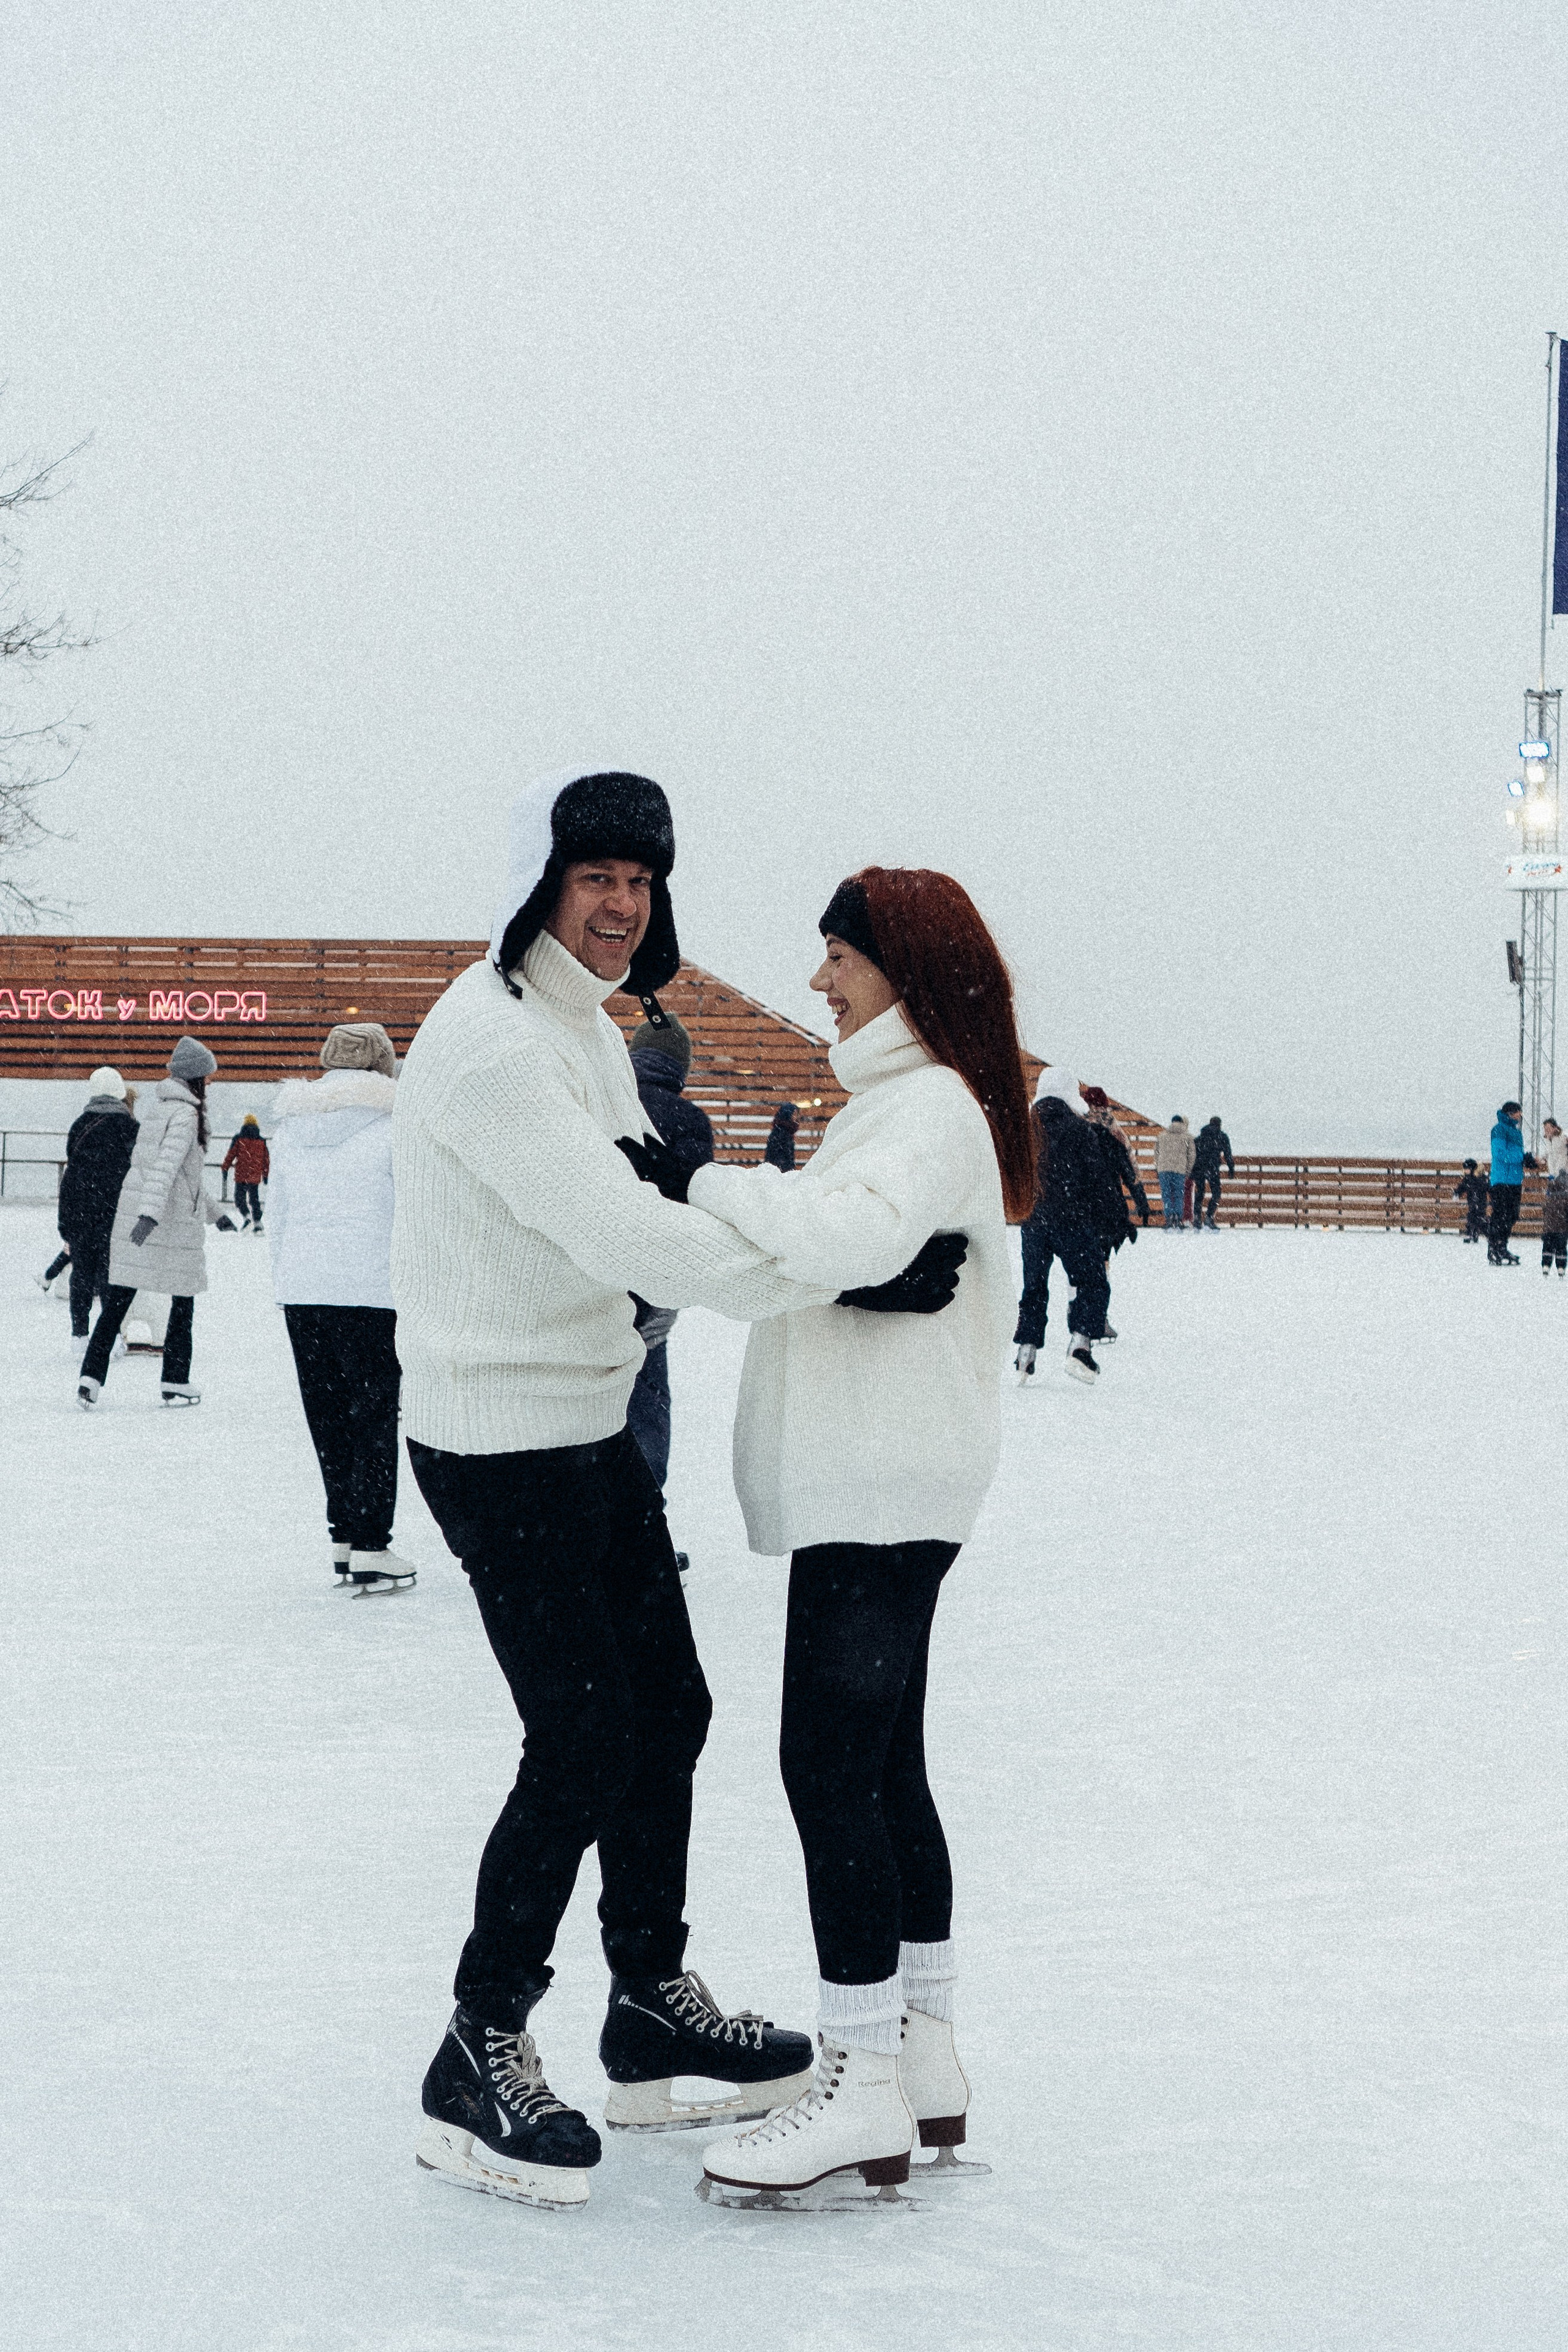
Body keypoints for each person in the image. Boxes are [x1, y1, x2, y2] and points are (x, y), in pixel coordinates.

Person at [392, 770, 961, 2212]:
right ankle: (479, 2035)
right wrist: (850, 1261)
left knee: (673, 1709)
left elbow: (654, 1183)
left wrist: (793, 1236)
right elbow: (628, 1229)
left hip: (584, 1424)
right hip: (493, 1431)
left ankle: (644, 1998)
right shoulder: (493, 1045)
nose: (617, 904)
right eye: (594, 875)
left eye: (639, 883)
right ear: (545, 882)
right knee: (583, 1735)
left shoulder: (586, 1028)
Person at [620, 865, 1028, 2203]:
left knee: (830, 1764)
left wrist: (704, 1173)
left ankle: (858, 2080)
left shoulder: (918, 1110)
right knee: (884, 1763)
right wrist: (797, 1227)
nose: (817, 981)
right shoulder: (917, 1106)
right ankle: (919, 2050)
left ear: (900, 967)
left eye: (836, 956)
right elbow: (850, 1256)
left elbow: (842, 1238)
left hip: (875, 1475)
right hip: (898, 1471)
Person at [268, 1022, 415, 1593]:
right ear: (383, 1066)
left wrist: (284, 1279)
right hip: (373, 1290)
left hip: (304, 1288)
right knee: (374, 1417)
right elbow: (412, 1217)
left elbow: (278, 1215)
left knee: (326, 1417)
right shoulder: (395, 1127)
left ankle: (343, 1534)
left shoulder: (292, 1128)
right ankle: (373, 1543)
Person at [77, 1038, 234, 1408]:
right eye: (207, 1077)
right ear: (196, 1078)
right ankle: (176, 1379)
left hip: (151, 1217)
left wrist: (217, 1214)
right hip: (169, 1224)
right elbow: (163, 1168)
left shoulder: (161, 1109)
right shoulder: (186, 1114)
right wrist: (149, 1214)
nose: (210, 1083)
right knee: (183, 1303)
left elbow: (181, 1177)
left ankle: (90, 1377)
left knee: (119, 1301)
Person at [623, 1009, 715, 1506]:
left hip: (588, 1280)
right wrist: (671, 1294)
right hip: (650, 1283)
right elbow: (693, 1211)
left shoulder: (597, 1102)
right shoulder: (687, 1119)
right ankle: (642, 1529)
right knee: (645, 1408)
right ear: (680, 1067)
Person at [1013, 1072, 1115, 1384]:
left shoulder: (1026, 1131)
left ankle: (1026, 1353)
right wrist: (1104, 1220)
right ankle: (1081, 1346)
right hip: (1073, 1220)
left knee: (1034, 1288)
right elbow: (1099, 1182)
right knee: (1092, 1282)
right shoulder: (1083, 1131)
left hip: (1034, 1222)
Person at [54, 1067, 140, 1340]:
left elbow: (71, 1175)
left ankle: (79, 1335)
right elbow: (138, 1174)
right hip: (116, 1211)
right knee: (111, 1275)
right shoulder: (130, 1127)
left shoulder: (80, 1125)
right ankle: (110, 1338)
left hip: (81, 1210)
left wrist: (65, 1222)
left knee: (81, 1273)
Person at [1487, 1100, 1537, 1266]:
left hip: (1515, 1180)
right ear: (1511, 1113)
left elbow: (1515, 1155)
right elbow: (1500, 1154)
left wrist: (1526, 1160)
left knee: (1511, 1216)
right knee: (1500, 1216)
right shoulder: (1499, 1130)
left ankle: (1502, 1247)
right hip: (1501, 1180)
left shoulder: (1517, 1132)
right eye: (1518, 1112)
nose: (1520, 1115)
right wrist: (1522, 1158)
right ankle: (1494, 1249)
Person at [222, 1114, 271, 1231]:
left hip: (241, 1174)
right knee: (254, 1200)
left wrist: (225, 1168)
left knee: (239, 1199)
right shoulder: (261, 1141)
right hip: (254, 1175)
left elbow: (231, 1155)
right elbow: (266, 1160)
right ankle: (258, 1222)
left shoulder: (238, 1139)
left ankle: (247, 1216)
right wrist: (265, 1175)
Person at [1191, 1115, 1234, 1230]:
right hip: (1212, 1168)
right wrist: (1231, 1168)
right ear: (1219, 1125)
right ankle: (1209, 1217)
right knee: (1216, 1193)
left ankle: (1197, 1218)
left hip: (1199, 1168)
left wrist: (1191, 1170)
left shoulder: (1200, 1138)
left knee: (1200, 1193)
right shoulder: (1222, 1137)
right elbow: (1228, 1154)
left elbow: (1193, 1155)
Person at [1154, 1116, 1195, 1228]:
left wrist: (1158, 1167)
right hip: (1180, 1170)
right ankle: (1177, 1217)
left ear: (1172, 1122)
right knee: (1178, 1195)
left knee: (1167, 1194)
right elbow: (1192, 1156)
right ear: (1182, 1123)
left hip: (1164, 1169)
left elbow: (1156, 1153)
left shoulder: (1161, 1136)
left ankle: (1169, 1217)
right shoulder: (1188, 1137)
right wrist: (1188, 1171)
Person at [1540, 1118, 1568, 1275]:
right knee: (1552, 1208)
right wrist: (1542, 1158)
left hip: (1562, 1177)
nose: (1547, 1131)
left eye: (1549, 1127)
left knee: (1560, 1207)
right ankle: (1555, 1230)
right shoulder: (1550, 1142)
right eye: (1545, 1128)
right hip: (1553, 1177)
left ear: (1555, 1128)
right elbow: (1551, 1154)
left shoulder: (1561, 1138)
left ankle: (1558, 1233)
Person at [1453, 1158, 1489, 1244]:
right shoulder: (1468, 1179)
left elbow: (1487, 1187)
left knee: (1479, 1218)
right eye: (1465, 1169)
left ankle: (1478, 1233)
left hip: (1481, 1202)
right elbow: (1462, 1187)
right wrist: (1457, 1193)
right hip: (1472, 1202)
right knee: (1471, 1217)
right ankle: (1471, 1234)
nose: (1466, 1171)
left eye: (1467, 1169)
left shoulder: (1480, 1178)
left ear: (1472, 1169)